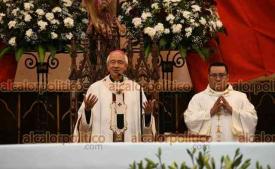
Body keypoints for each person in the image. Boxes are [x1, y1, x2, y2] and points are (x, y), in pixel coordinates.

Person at [73, 50, 156, 142]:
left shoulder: (135, 89)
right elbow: (84, 124)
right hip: (103, 144)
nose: (116, 66)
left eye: (120, 62)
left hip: (130, 144)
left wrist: (148, 115)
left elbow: (144, 125)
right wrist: (87, 111)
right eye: (112, 62)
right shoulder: (96, 88)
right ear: (108, 66)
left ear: (125, 66)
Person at [184, 62, 257, 141]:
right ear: (208, 77)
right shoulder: (198, 98)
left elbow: (252, 119)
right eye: (214, 75)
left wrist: (232, 110)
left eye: (221, 75)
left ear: (227, 77)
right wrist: (210, 112)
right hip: (207, 150)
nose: (218, 79)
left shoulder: (240, 97)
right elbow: (189, 120)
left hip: (232, 147)